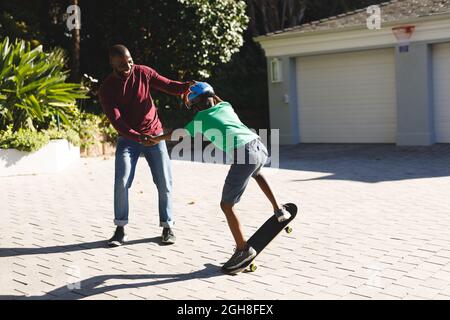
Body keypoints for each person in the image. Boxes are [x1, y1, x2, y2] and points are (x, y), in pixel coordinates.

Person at [149, 82, 291, 272]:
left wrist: (156, 138)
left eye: (194, 104)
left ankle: (243, 249)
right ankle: (279, 209)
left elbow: (179, 134)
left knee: (226, 205)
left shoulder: (200, 118)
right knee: (258, 173)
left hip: (244, 154)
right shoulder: (226, 105)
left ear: (196, 105)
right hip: (258, 145)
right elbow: (216, 99)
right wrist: (201, 89)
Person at [98, 44, 193, 246]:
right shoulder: (107, 88)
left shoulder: (143, 72)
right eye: (123, 64)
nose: (129, 66)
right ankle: (120, 229)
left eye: (130, 60)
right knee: (122, 181)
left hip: (155, 135)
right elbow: (117, 122)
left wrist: (187, 86)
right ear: (112, 63)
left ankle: (167, 227)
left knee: (164, 181)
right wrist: (137, 137)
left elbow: (168, 84)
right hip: (128, 139)